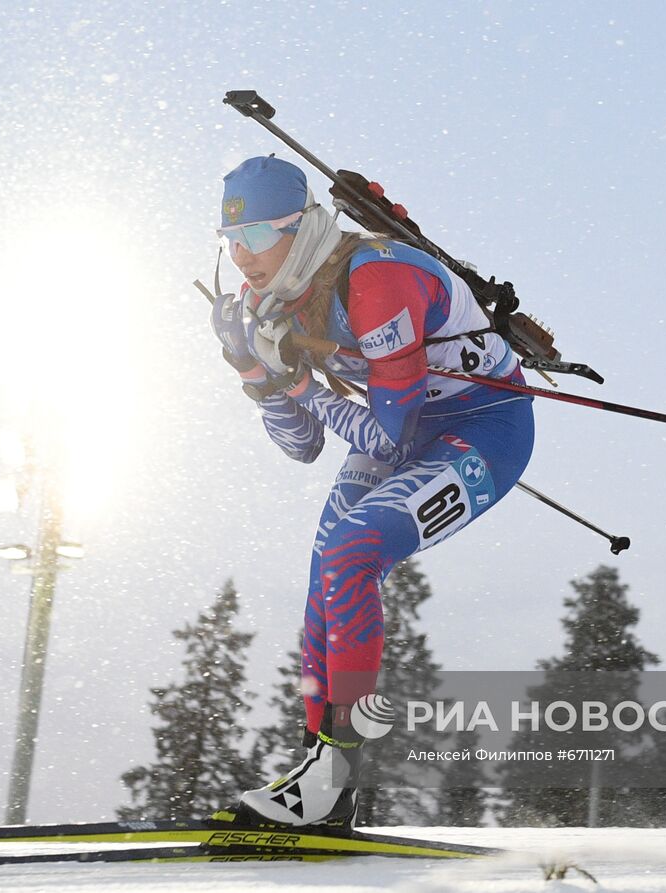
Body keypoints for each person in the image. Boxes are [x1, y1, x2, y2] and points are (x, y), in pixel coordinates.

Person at [210, 155, 535, 827]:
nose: (243, 256)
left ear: (300, 230)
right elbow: (301, 445)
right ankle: (317, 777)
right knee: (324, 569)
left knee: (353, 550)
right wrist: (254, 369)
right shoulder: (266, 296)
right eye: (230, 240)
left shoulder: (377, 277)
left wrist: (297, 383)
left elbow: (387, 440)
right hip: (402, 423)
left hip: (482, 430)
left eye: (259, 235)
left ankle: (333, 777)